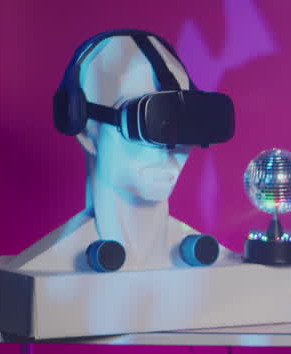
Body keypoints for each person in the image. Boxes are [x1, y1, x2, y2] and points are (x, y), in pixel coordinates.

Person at [14, 31, 223, 273]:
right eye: (146, 120)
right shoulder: (44, 270)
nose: (170, 148)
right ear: (87, 131)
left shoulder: (217, 263)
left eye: (183, 123)